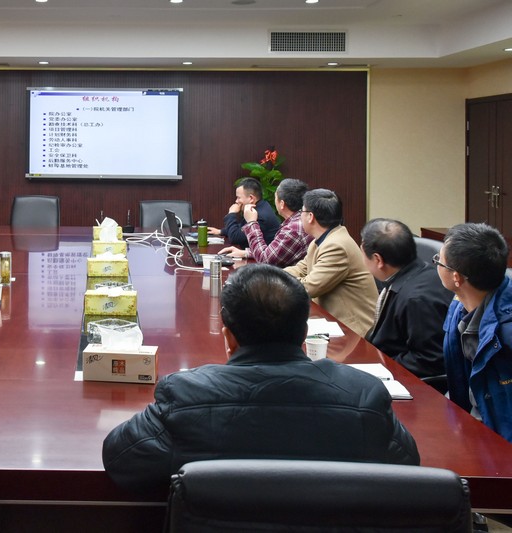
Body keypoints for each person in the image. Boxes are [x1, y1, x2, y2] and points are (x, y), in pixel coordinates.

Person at [102, 264, 419, 492]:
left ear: (228, 338)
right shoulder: (363, 394)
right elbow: (408, 467)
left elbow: (120, 459)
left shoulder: (185, 395)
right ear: (304, 334)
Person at [437, 222, 512, 442]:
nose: (436, 264)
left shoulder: (506, 332)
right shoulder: (459, 305)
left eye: (438, 261)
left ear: (457, 278)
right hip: (472, 426)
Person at [360, 219, 453, 378]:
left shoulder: (417, 300)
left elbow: (429, 360)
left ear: (378, 260)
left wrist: (381, 366)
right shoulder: (415, 272)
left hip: (405, 380)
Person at [284, 188, 378, 336]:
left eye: (301, 211)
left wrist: (273, 284)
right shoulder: (323, 240)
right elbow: (300, 269)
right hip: (332, 322)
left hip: (353, 331)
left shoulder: (336, 246)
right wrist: (272, 276)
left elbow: (309, 287)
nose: (299, 216)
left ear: (310, 216)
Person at [219, 178, 312, 267]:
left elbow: (265, 260)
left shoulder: (292, 229)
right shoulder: (298, 221)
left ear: (282, 204)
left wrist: (251, 223)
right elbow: (273, 253)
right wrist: (246, 253)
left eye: (276, 197)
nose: (236, 201)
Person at [209, 177, 280, 247]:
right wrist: (221, 231)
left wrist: (231, 214)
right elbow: (242, 228)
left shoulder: (260, 216)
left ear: (251, 198)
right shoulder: (261, 205)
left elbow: (235, 238)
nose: (236, 201)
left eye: (238, 197)